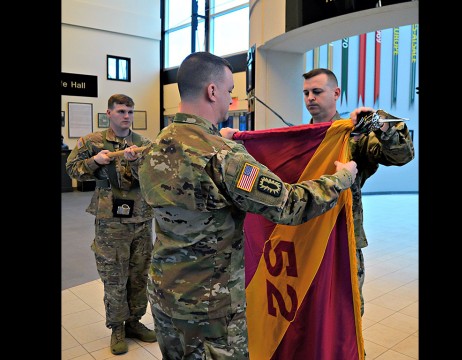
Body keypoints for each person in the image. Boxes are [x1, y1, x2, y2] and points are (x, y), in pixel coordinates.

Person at [136, 51, 358, 359]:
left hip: (164, 294)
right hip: (209, 307)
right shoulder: (224, 156)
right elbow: (289, 205)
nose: (231, 100)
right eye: (229, 91)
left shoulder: (152, 147)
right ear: (211, 91)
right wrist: (340, 179)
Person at [302, 68, 415, 316]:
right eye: (306, 92)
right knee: (308, 315)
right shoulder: (300, 138)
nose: (310, 97)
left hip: (343, 236)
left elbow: (402, 156)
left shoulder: (354, 135)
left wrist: (380, 123)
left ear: (336, 93)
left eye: (317, 91)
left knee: (345, 314)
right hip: (306, 238)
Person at [65, 94, 157, 355]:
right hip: (110, 221)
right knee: (115, 275)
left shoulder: (142, 144)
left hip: (140, 217)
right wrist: (95, 161)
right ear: (109, 113)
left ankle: (134, 321)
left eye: (130, 111)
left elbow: (151, 178)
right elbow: (71, 169)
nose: (126, 116)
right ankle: (117, 327)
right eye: (120, 111)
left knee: (139, 274)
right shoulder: (92, 142)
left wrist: (135, 162)